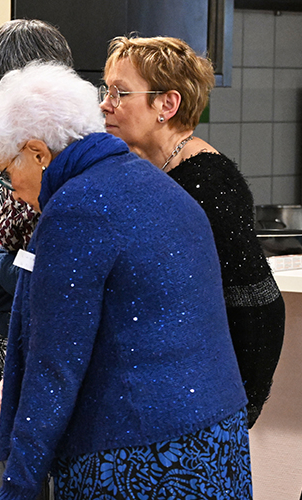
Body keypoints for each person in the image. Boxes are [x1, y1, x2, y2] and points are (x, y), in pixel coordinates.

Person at [0, 63, 251, 500]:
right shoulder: (156, 183)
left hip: (138, 452)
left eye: (7, 169)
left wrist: (18, 486)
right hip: (216, 436)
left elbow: (56, 363)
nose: (11, 189)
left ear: (38, 153)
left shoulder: (75, 209)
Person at [101, 35, 284, 428]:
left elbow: (259, 302)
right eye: (106, 90)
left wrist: (239, 411)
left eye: (120, 93)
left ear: (167, 104)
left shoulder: (208, 184)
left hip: (201, 402)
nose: (105, 104)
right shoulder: (147, 169)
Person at [0, 19, 72, 497]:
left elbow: (58, 284)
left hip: (64, 366)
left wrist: (3, 265)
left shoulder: (83, 166)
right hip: (6, 358)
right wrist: (14, 276)